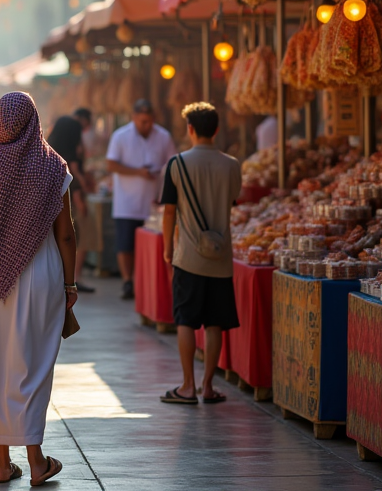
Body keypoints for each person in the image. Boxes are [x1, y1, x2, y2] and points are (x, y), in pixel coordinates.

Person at [0, 92, 76, 487]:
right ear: (34, 121)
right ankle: (36, 461)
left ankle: (2, 464)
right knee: (33, 368)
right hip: (43, 277)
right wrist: (70, 284)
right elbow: (67, 235)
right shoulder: (54, 167)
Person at [159, 102, 242, 405]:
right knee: (214, 322)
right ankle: (208, 386)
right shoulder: (232, 164)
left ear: (190, 129)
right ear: (216, 129)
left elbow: (169, 212)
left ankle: (187, 386)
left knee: (185, 320)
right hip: (220, 258)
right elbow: (232, 200)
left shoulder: (177, 164)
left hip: (189, 256)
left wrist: (168, 248)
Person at [106, 99, 176, 300]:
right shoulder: (120, 136)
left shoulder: (163, 136)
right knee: (125, 245)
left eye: (149, 121)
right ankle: (128, 280)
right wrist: (138, 172)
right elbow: (111, 164)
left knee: (151, 246)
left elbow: (173, 163)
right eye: (142, 121)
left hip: (154, 201)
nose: (147, 125)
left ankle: (145, 282)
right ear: (134, 118)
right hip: (126, 202)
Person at [46, 108, 96, 293]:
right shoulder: (69, 159)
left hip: (57, 197)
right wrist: (82, 190)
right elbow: (73, 170)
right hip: (73, 195)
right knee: (78, 234)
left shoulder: (49, 157)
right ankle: (74, 278)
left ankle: (65, 277)